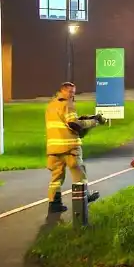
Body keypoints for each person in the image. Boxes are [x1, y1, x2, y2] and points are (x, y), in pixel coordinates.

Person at [45, 81, 104, 214]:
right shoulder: (68, 104)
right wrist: (93, 122)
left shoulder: (51, 105)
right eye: (70, 92)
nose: (72, 95)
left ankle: (54, 203)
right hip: (69, 146)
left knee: (56, 177)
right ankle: (84, 197)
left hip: (53, 147)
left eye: (73, 92)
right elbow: (73, 123)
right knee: (78, 171)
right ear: (63, 91)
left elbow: (64, 121)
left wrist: (82, 118)